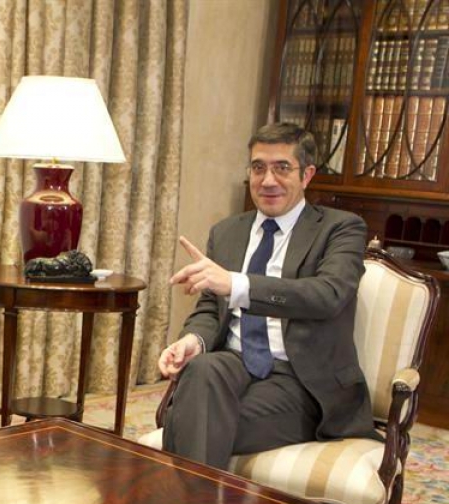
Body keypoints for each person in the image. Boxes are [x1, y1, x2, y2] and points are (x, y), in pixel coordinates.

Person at [157, 122, 378, 470]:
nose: (268, 180)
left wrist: (238, 285)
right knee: (201, 370)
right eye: (258, 167)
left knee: (191, 419)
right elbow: (210, 309)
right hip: (232, 363)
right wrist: (193, 341)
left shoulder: (340, 228)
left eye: (282, 168)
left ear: (306, 175)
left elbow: (327, 294)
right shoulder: (228, 232)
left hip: (300, 380)